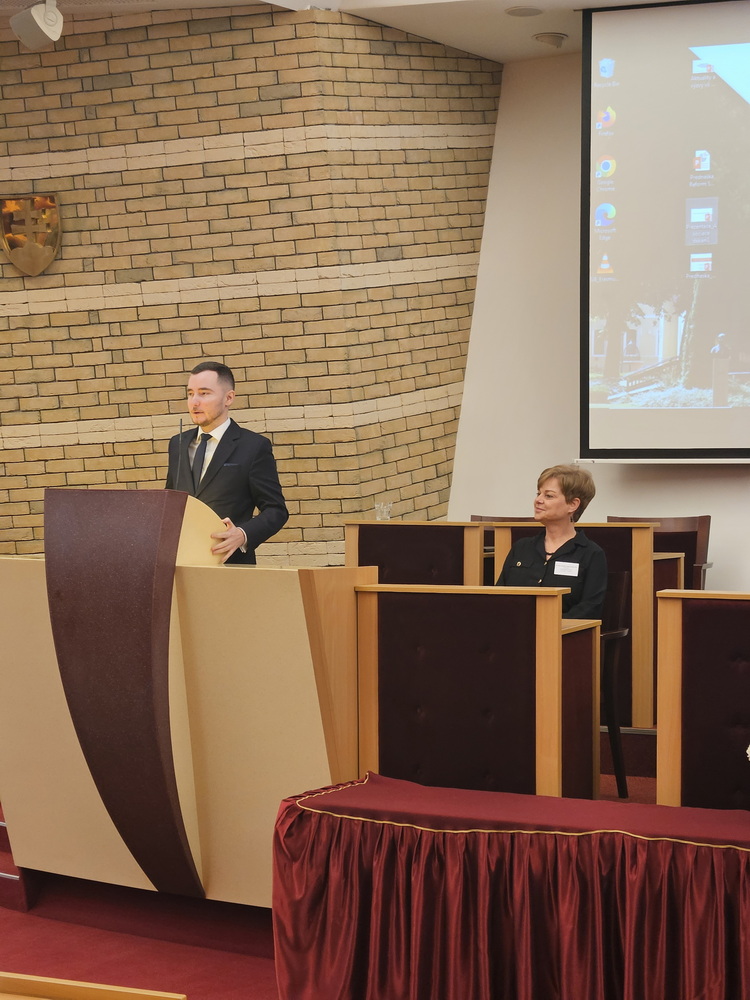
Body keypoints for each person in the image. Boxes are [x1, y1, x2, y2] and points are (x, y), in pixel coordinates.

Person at [166, 361, 288, 564]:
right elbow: (170, 502)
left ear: (228, 398)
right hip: (181, 565)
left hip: (230, 565)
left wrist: (243, 534)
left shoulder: (253, 446)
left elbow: (276, 510)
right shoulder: (177, 444)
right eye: (190, 393)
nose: (194, 402)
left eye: (204, 393)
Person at [496, 464, 607, 619]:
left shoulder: (591, 554)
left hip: (564, 632)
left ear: (573, 504)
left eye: (548, 496)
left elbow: (590, 608)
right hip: (514, 629)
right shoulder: (521, 547)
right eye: (538, 493)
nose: (538, 500)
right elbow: (498, 597)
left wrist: (550, 627)